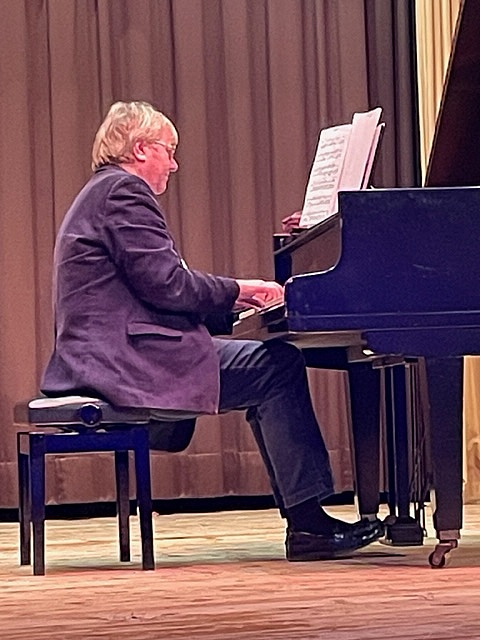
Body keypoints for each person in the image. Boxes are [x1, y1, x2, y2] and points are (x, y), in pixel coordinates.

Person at [41, 100, 383, 561]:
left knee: (270, 365)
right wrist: (243, 290)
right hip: (122, 359)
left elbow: (154, 288)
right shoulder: (124, 191)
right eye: (169, 150)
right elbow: (168, 285)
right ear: (141, 149)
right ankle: (309, 525)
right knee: (277, 366)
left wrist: (237, 304)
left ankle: (307, 521)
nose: (174, 164)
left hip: (109, 352)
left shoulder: (102, 192)